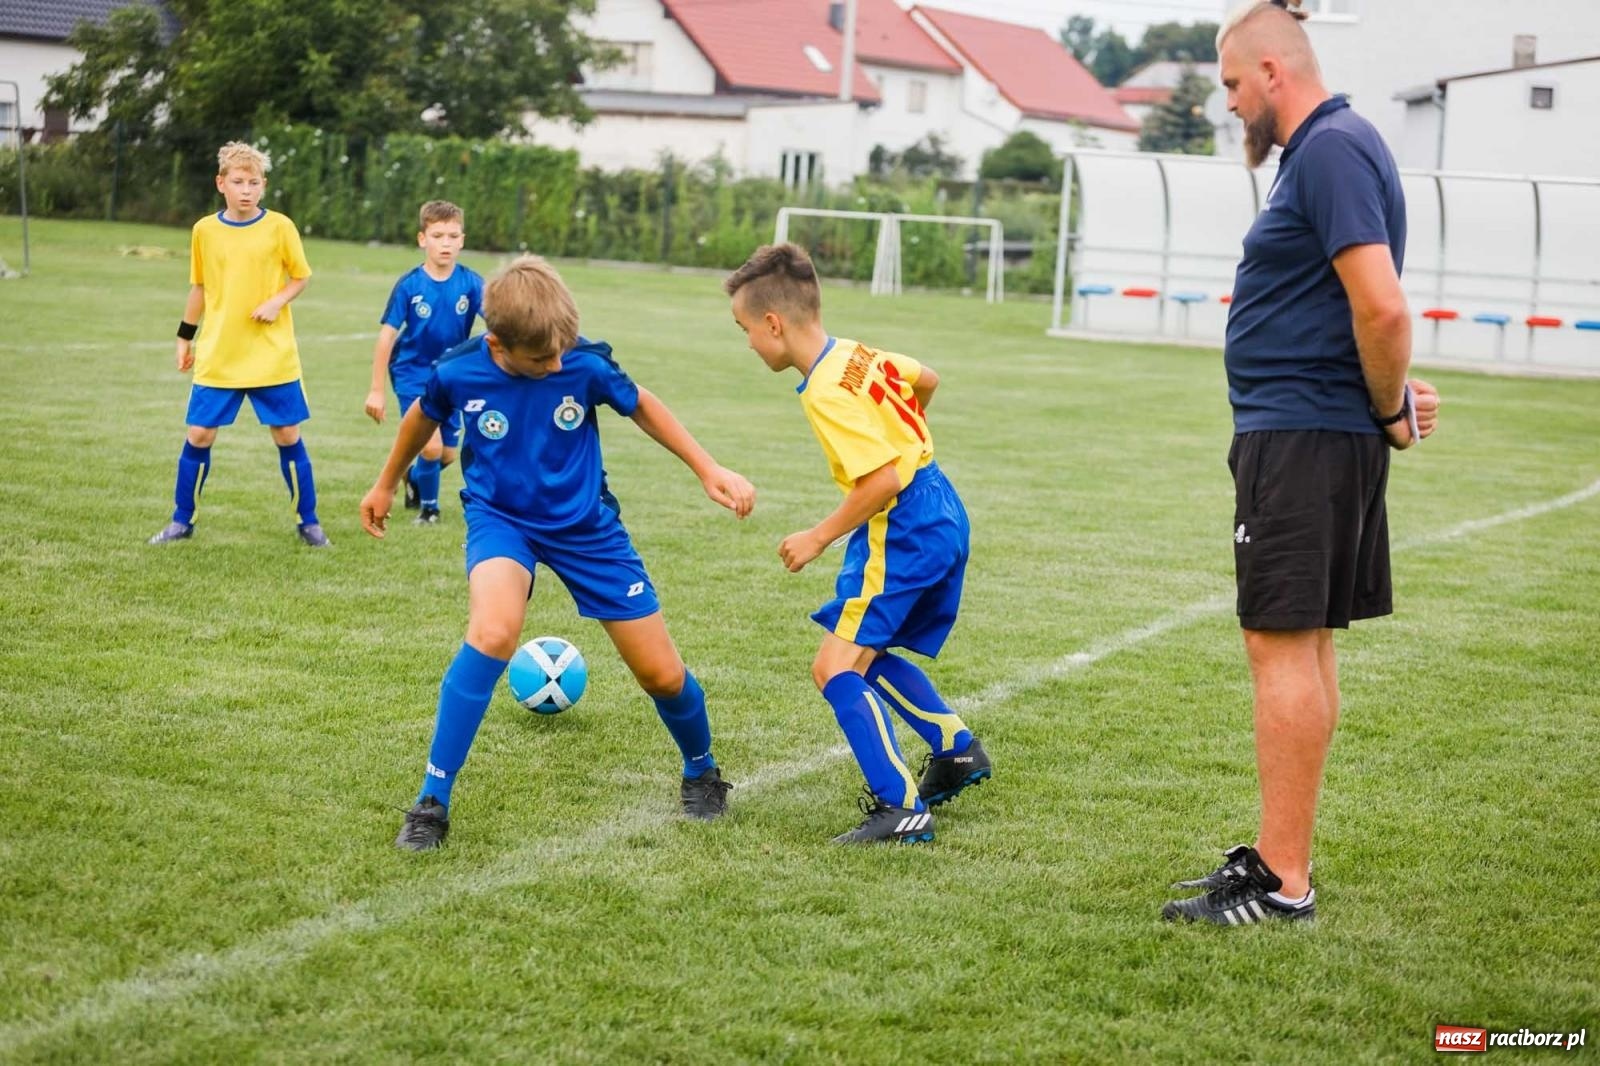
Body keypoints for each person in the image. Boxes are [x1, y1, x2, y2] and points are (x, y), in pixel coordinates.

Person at [1162, 0, 1441, 925]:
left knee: (1278, 641)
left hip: (1304, 439)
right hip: (1310, 432)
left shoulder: (1329, 148)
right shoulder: (1331, 150)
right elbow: (1346, 309)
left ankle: (1282, 882)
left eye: (1234, 84)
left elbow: (1383, 307)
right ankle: (1286, 863)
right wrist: (1387, 394)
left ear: (1273, 72)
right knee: (1300, 640)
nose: (1231, 104)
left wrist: (1388, 407)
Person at [361, 255, 755, 851]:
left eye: (560, 353)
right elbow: (422, 415)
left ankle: (701, 770)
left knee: (660, 673)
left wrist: (708, 468)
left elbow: (641, 403)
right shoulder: (459, 370)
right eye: (541, 359)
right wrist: (387, 483)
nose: (555, 365)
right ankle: (431, 801)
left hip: (586, 527)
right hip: (501, 520)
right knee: (492, 633)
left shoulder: (581, 360)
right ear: (497, 344)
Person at [724, 243, 992, 846]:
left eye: (746, 330)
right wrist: (905, 432)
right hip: (942, 505)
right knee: (866, 653)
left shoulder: (826, 389)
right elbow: (926, 378)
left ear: (774, 323)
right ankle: (954, 747)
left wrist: (817, 537)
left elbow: (881, 481)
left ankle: (900, 807)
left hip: (903, 525)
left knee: (833, 667)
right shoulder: (855, 354)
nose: (749, 344)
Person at [149, 141, 328, 547]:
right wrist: (184, 337)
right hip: (220, 353)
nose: (246, 190)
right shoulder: (204, 231)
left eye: (254, 183)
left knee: (287, 435)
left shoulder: (280, 227)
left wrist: (276, 301)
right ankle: (181, 521)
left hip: (272, 354)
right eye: (238, 182)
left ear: (263, 185)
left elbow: (300, 277)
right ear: (221, 184)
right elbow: (199, 287)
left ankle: (309, 522)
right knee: (199, 435)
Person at [364, 200, 484, 524]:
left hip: (451, 374)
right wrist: (376, 390)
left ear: (462, 240)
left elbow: (498, 320)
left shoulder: (471, 283)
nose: (446, 243)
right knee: (430, 448)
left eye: (453, 236)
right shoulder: (410, 285)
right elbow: (386, 337)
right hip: (412, 373)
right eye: (437, 236)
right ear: (422, 239)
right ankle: (429, 510)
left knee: (447, 455)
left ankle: (411, 476)